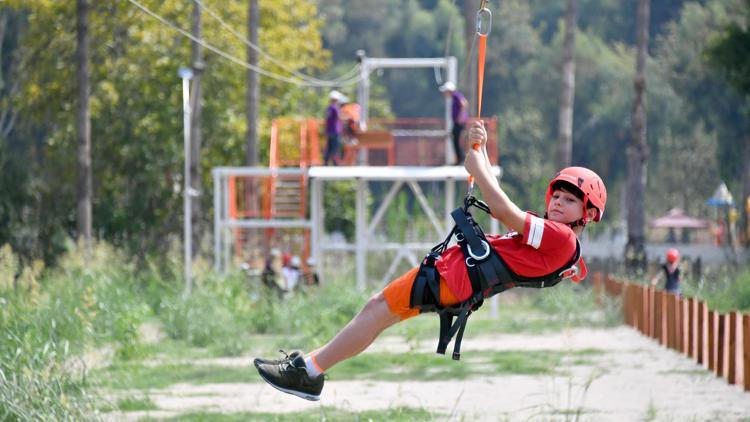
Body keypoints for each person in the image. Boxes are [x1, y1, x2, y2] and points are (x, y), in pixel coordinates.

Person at [254, 121, 607, 401]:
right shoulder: (557, 239)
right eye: (557, 196)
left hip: (454, 278)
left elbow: (502, 209)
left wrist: (478, 165)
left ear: (587, 214)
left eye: (571, 201)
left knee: (377, 309)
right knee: (376, 313)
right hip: (456, 280)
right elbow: (502, 204)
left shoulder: (560, 238)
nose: (559, 203)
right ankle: (310, 368)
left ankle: (310, 371)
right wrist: (479, 153)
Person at [439, 81, 469, 164]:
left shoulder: (456, 95)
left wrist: (460, 117)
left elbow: (464, 104)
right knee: (455, 139)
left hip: (459, 122)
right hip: (457, 122)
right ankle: (460, 159)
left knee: (457, 140)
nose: (444, 93)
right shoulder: (454, 96)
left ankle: (461, 159)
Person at [324, 90, 347, 166]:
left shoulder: (329, 108)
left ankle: (326, 162)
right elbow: (339, 117)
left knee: (329, 147)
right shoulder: (334, 108)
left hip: (329, 130)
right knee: (335, 147)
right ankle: (335, 162)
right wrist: (348, 117)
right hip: (335, 130)